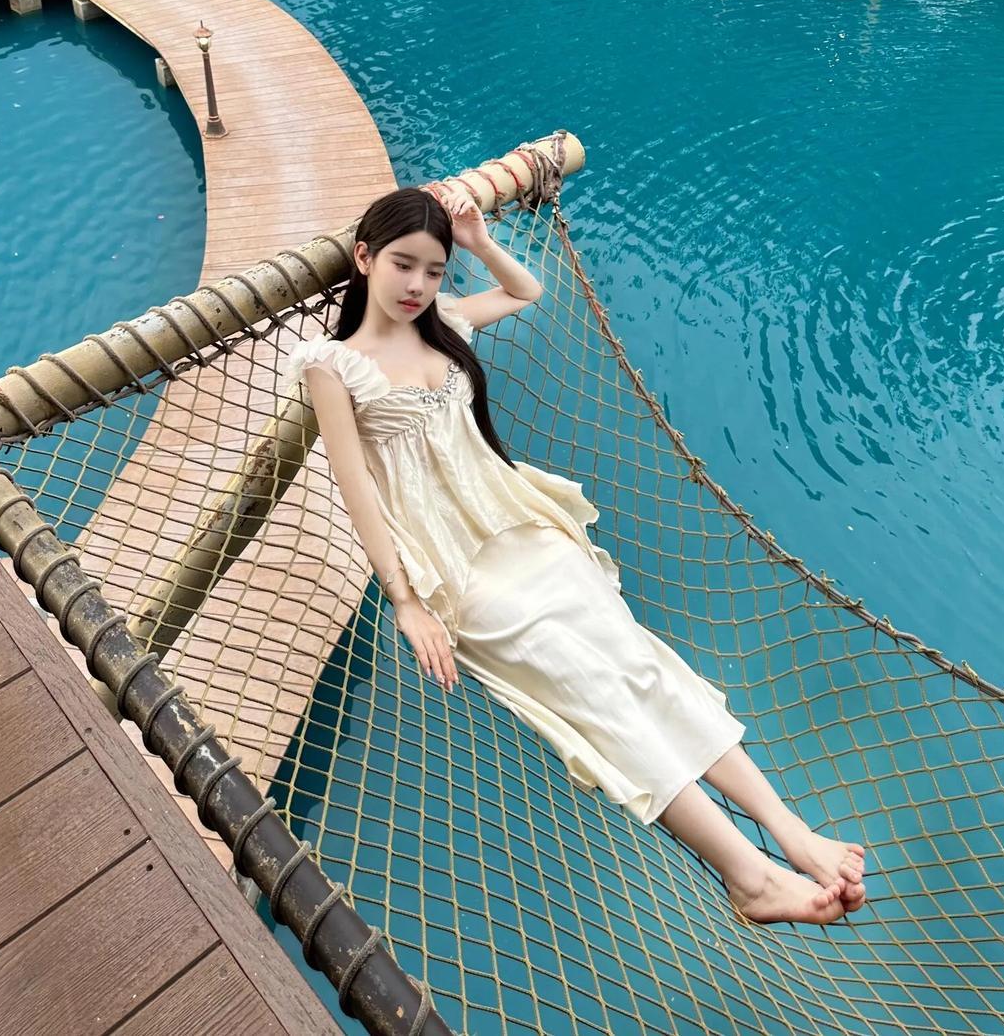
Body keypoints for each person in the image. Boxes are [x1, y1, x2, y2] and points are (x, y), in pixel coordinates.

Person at [292, 187, 868, 927]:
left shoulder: (445, 324)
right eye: (404, 264)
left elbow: (523, 290)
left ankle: (791, 832)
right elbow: (358, 491)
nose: (417, 286)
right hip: (461, 575)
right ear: (365, 257)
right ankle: (748, 876)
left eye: (433, 271)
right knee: (596, 696)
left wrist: (477, 241)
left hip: (528, 534)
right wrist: (406, 601)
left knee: (639, 666)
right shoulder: (334, 366)